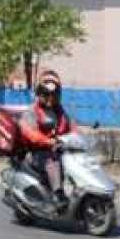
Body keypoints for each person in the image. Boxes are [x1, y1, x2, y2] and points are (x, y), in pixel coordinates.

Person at [19, 69, 77, 207]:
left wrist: (78, 137)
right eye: (47, 93)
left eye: (54, 94)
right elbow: (29, 133)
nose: (51, 97)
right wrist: (47, 141)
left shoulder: (59, 111)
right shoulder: (32, 111)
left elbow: (71, 126)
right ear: (39, 93)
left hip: (55, 148)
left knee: (73, 159)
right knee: (52, 160)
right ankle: (58, 194)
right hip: (36, 153)